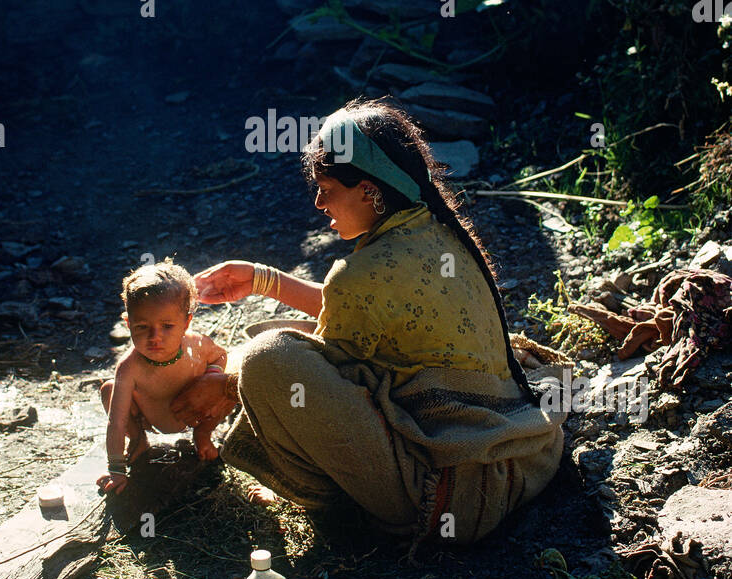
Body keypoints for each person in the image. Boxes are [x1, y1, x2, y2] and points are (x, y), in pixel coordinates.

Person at [170, 99, 567, 549]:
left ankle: (345, 504)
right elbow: (355, 311)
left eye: (326, 188)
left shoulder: (364, 274)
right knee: (278, 338)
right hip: (521, 459)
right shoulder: (435, 229)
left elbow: (327, 358)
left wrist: (227, 383)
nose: (319, 203)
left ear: (367, 189)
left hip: (449, 496)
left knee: (267, 357)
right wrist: (265, 279)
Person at [96, 261, 228, 494]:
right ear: (128, 323)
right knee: (109, 389)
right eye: (142, 327)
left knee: (229, 387)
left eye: (167, 326)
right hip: (152, 419)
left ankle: (203, 435)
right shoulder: (130, 367)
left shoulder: (198, 345)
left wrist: (211, 377)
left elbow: (221, 356)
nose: (155, 337)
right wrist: (115, 469)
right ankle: (138, 444)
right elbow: (115, 422)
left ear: (186, 322)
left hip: (197, 415)